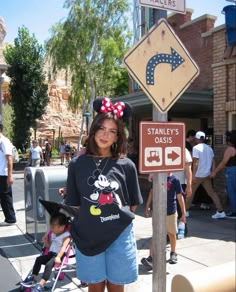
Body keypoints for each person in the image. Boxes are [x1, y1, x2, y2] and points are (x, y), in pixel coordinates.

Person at [65, 97, 143, 292]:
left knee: (117, 286)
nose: (105, 135)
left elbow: (132, 205)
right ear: (93, 130)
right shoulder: (77, 164)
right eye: (102, 128)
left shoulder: (127, 166)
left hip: (119, 236)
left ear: (118, 137)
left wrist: (111, 219)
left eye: (112, 131)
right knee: (95, 285)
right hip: (88, 236)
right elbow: (75, 204)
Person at [141, 172, 186, 270]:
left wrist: (183, 212)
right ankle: (151, 257)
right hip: (157, 211)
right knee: (155, 234)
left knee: (171, 233)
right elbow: (152, 192)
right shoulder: (157, 178)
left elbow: (179, 196)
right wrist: (148, 205)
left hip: (170, 211)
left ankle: (173, 253)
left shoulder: (175, 180)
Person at [21, 213, 71, 292]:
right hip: (50, 254)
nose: (51, 228)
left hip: (57, 256)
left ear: (62, 227)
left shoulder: (66, 236)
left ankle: (41, 284)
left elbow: (63, 248)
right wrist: (46, 241)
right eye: (51, 225)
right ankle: (33, 278)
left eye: (53, 226)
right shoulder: (54, 234)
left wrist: (58, 257)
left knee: (48, 265)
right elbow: (50, 246)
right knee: (38, 259)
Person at [186, 131, 226, 219]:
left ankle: (185, 211)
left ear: (197, 138)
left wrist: (193, 175)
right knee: (211, 192)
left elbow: (195, 162)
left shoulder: (196, 148)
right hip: (207, 175)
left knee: (190, 193)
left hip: (198, 175)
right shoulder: (209, 148)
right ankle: (220, 211)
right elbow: (213, 161)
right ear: (203, 138)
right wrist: (213, 172)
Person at [211, 130, 236, 218]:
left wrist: (215, 171)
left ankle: (234, 211)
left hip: (232, 171)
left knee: (232, 191)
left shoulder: (230, 149)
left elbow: (223, 162)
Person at [0, 123, 17, 225]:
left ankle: (11, 219)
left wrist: (10, 176)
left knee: (6, 197)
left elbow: (9, 159)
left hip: (3, 174)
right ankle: (9, 218)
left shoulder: (4, 142)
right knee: (3, 198)